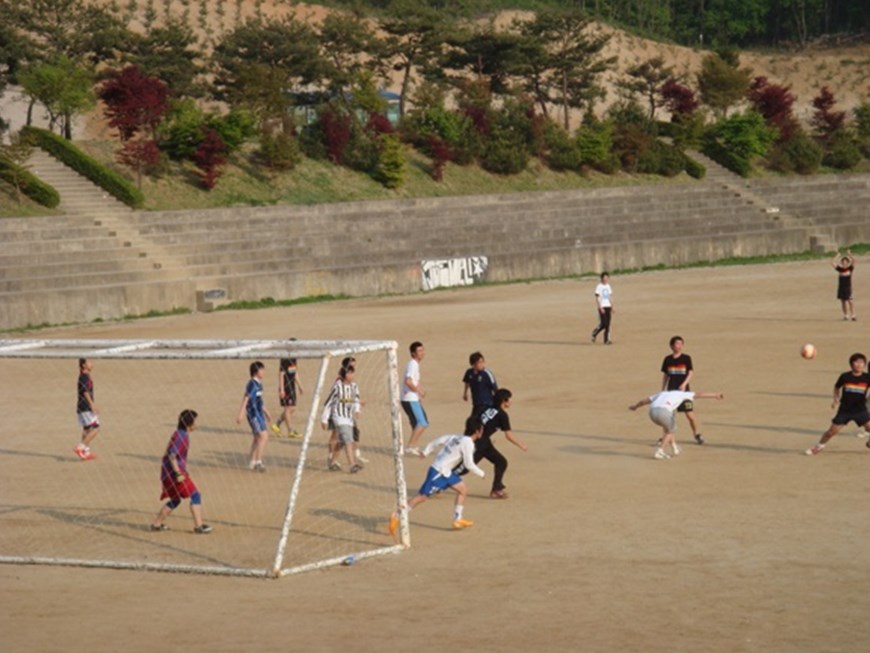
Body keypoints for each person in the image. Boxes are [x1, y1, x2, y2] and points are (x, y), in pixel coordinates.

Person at [389, 416, 486, 537]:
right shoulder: (468, 443)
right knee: (422, 497)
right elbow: (468, 464)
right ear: (477, 431)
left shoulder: (457, 436)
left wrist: (426, 451)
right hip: (438, 472)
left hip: (446, 472)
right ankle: (397, 515)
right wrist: (481, 473)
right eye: (482, 429)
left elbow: (439, 440)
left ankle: (457, 519)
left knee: (462, 490)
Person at [150, 409, 212, 534]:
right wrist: (178, 473)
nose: (196, 424)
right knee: (195, 495)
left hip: (167, 473)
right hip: (175, 474)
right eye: (195, 421)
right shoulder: (182, 436)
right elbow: (172, 455)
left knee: (175, 499)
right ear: (189, 423)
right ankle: (199, 526)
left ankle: (157, 524)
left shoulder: (178, 433)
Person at [465, 388, 528, 499]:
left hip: (480, 441)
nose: (510, 402)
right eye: (509, 399)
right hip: (480, 444)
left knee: (501, 462)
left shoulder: (487, 408)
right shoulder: (502, 415)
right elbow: (508, 435)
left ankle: (496, 489)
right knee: (465, 468)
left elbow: (472, 420)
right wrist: (521, 445)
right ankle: (438, 482)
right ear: (504, 401)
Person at [805, 353, 870, 456]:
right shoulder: (845, 376)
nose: (859, 364)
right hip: (845, 411)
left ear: (864, 364)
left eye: (861, 362)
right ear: (851, 364)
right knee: (831, 432)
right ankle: (818, 447)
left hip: (860, 410)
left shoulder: (867, 377)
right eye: (856, 362)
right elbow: (836, 387)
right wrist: (836, 398)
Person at [629, 390, 725, 460]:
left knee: (669, 427)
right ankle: (660, 451)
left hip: (652, 413)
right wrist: (715, 395)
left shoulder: (661, 393)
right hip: (663, 412)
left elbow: (644, 401)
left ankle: (674, 447)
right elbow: (700, 394)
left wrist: (635, 407)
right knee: (670, 431)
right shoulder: (682, 394)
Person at [660, 336, 705, 445]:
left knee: (690, 415)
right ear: (671, 346)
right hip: (671, 392)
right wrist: (663, 389)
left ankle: (697, 434)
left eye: (681, 344)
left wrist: (684, 384)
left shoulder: (686, 358)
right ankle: (665, 437)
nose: (679, 346)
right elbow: (666, 375)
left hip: (684, 393)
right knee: (669, 416)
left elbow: (690, 372)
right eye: (677, 344)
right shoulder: (668, 359)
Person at [321, 365, 362, 473]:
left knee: (342, 442)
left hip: (349, 418)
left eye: (353, 372)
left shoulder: (354, 386)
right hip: (339, 418)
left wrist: (357, 410)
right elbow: (328, 402)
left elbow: (356, 399)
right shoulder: (337, 387)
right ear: (345, 375)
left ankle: (333, 461)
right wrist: (324, 418)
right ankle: (352, 465)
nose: (352, 375)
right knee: (348, 441)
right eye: (350, 373)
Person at [236, 361, 272, 472]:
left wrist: (266, 412)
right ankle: (258, 462)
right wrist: (241, 414)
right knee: (263, 437)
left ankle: (251, 460)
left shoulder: (259, 384)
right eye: (262, 370)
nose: (264, 372)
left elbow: (259, 400)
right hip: (253, 414)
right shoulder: (252, 384)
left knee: (257, 437)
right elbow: (246, 398)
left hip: (259, 414)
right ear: (256, 372)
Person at [401, 341, 429, 456]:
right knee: (422, 423)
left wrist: (418, 395)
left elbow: (413, 381)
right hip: (409, 399)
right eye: (419, 351)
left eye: (423, 350)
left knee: (417, 423)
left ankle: (413, 445)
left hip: (411, 398)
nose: (422, 353)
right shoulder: (413, 364)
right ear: (413, 353)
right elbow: (408, 381)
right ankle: (410, 446)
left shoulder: (414, 364)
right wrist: (419, 391)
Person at [272, 351, 303, 439]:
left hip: (292, 387)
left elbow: (295, 372)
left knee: (292, 408)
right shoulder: (285, 358)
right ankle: (290, 431)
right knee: (288, 408)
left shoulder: (294, 358)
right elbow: (281, 374)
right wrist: (282, 389)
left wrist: (300, 386)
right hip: (285, 387)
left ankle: (277, 424)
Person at [73, 358, 99, 461]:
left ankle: (85, 452)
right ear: (83, 365)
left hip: (81, 407)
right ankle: (81, 447)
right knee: (96, 428)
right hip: (86, 407)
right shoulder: (84, 377)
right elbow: (85, 392)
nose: (92, 364)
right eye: (89, 362)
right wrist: (92, 404)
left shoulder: (84, 376)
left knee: (86, 429)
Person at [462, 351, 498, 417]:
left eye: (482, 362)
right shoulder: (469, 372)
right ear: (473, 364)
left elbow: (495, 388)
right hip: (476, 403)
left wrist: (497, 403)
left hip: (487, 403)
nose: (481, 364)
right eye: (479, 363)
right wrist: (465, 393)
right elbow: (467, 381)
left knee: (474, 422)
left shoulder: (487, 374)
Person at [590, 272, 615, 345]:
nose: (606, 280)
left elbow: (610, 297)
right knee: (604, 323)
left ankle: (606, 340)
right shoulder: (599, 286)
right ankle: (594, 333)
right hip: (602, 306)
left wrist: (612, 306)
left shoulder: (608, 286)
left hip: (608, 306)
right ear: (601, 278)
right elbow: (597, 298)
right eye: (604, 278)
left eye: (607, 278)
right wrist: (600, 307)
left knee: (608, 324)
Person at [832, 250, 856, 321]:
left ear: (848, 263)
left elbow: (854, 261)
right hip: (841, 288)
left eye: (846, 262)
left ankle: (853, 315)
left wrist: (850, 254)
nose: (844, 263)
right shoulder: (840, 269)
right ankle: (846, 315)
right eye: (843, 262)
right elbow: (832, 262)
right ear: (842, 263)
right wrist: (837, 256)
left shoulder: (850, 269)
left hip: (848, 288)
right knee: (843, 302)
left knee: (850, 301)